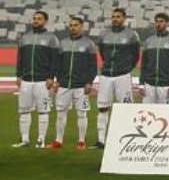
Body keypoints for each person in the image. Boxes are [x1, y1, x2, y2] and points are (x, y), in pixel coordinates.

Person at [95, 8, 140, 148]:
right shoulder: (104, 34)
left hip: (123, 75)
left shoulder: (131, 35)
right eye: (113, 16)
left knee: (126, 108)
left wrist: (127, 67)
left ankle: (126, 138)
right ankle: (101, 140)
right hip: (106, 75)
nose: (115, 19)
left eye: (118, 16)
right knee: (103, 107)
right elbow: (102, 53)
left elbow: (136, 55)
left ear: (124, 19)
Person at [14, 11, 59, 148]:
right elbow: (20, 58)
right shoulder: (24, 38)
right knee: (24, 111)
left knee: (43, 111)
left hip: (43, 81)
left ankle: (41, 140)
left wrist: (51, 77)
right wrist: (18, 75)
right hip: (26, 80)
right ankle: (25, 140)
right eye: (34, 18)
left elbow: (55, 60)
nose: (36, 21)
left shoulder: (51, 38)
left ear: (45, 21)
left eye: (39, 18)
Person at [52, 16, 97, 149]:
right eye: (71, 25)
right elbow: (58, 64)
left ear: (81, 27)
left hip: (81, 85)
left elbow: (93, 65)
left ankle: (81, 141)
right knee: (60, 113)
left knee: (82, 113)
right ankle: (58, 141)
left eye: (76, 25)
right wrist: (57, 81)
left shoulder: (89, 44)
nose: (73, 28)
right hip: (64, 84)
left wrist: (89, 82)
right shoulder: (63, 43)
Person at [138, 13, 169, 104]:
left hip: (166, 85)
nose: (158, 24)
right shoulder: (149, 41)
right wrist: (141, 83)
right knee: (147, 111)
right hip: (149, 85)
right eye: (157, 22)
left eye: (161, 21)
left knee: (168, 111)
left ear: (167, 23)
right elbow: (144, 64)